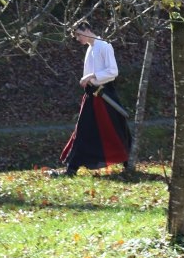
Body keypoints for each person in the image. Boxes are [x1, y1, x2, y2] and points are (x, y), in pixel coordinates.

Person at [54, 21, 132, 176]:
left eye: (78, 34)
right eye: (76, 36)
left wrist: (91, 76)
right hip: (92, 95)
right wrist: (88, 79)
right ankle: (72, 168)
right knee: (85, 130)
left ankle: (128, 163)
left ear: (87, 30)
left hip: (104, 94)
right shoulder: (90, 48)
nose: (77, 38)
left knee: (115, 129)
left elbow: (113, 71)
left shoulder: (104, 46)